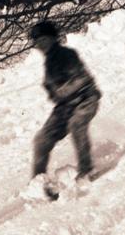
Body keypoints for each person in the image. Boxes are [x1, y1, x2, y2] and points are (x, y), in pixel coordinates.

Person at [28, 20, 100, 194]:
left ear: (53, 38)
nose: (40, 44)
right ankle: (38, 182)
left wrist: (59, 91)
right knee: (42, 140)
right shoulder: (49, 62)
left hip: (86, 99)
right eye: (37, 41)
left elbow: (81, 80)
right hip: (66, 106)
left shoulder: (67, 55)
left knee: (76, 124)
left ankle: (86, 169)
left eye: (44, 39)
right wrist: (56, 92)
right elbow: (54, 92)